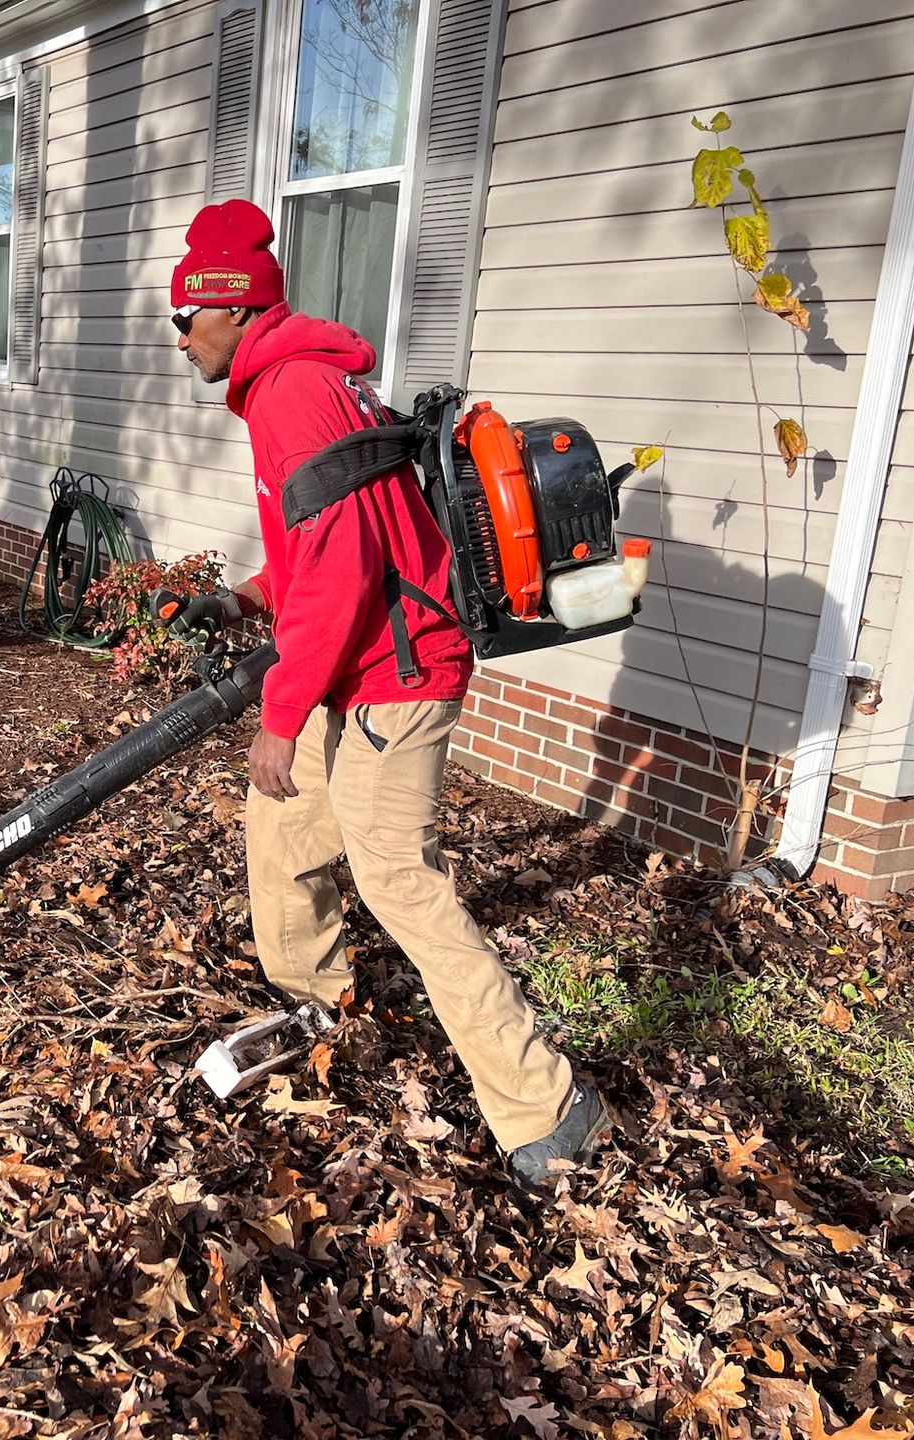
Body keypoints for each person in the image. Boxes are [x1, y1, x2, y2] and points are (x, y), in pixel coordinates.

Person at [167, 198, 609, 1189]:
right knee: (282, 836)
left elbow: (346, 567)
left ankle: (550, 1104)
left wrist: (280, 715)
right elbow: (326, 546)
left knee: (401, 883)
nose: (178, 337)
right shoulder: (297, 385)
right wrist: (244, 596)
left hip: (396, 676)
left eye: (184, 317)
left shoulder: (291, 397)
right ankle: (314, 1005)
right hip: (366, 664)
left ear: (229, 310)